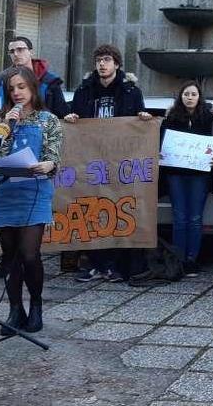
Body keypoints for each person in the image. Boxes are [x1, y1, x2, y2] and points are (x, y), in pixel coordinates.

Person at [0, 66, 63, 335]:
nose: (17, 93)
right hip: (5, 192)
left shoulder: (48, 120)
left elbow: (53, 156)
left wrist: (49, 165)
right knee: (10, 256)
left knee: (29, 254)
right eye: (11, 88)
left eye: (21, 87)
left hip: (34, 191)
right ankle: (15, 310)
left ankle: (36, 306)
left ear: (32, 89)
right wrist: (8, 127)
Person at [65, 44, 152, 282]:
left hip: (118, 162)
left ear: (117, 64)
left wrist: (143, 118)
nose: (102, 64)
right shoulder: (84, 89)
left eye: (106, 60)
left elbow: (139, 122)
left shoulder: (130, 90)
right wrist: (72, 118)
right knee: (92, 210)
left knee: (115, 210)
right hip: (91, 161)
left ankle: (114, 265)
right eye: (98, 60)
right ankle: (95, 263)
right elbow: (75, 117)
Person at [159, 81, 213, 276]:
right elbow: (161, 142)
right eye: (186, 94)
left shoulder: (211, 118)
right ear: (180, 97)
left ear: (199, 97)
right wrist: (160, 154)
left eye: (193, 94)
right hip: (176, 175)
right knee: (179, 217)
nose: (189, 97)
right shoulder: (171, 118)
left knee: (196, 218)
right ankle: (178, 259)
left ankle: (192, 259)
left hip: (199, 175)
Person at [0, 36, 69, 119]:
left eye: (20, 50)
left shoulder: (49, 81)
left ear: (31, 52)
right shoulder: (1, 80)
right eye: (12, 51)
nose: (16, 54)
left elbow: (62, 113)